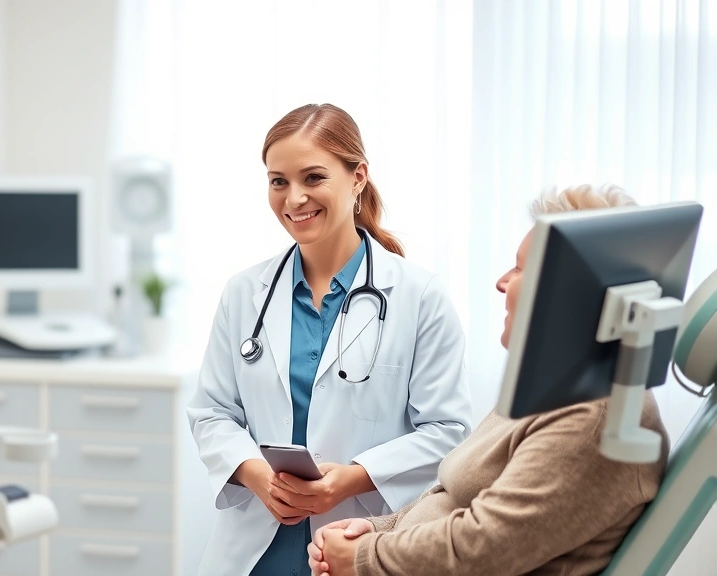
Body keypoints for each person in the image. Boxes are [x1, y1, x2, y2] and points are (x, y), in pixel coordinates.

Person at [307, 184, 669, 576]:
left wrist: (365, 557)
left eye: (518, 269)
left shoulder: (596, 416)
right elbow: (455, 499)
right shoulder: (556, 390)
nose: (501, 282)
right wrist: (378, 529)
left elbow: (486, 546)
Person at [186, 103, 474, 576]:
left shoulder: (419, 296)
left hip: (354, 541)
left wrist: (351, 480)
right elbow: (212, 412)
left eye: (313, 178)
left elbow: (448, 431)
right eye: (278, 181)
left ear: (357, 176)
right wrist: (260, 477)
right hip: (257, 547)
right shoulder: (244, 293)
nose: (293, 198)